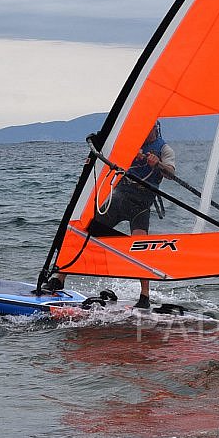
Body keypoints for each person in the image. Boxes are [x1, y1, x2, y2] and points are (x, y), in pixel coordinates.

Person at [45, 122, 176, 309]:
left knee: (140, 247)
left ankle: (144, 296)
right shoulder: (131, 143)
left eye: (148, 129)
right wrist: (110, 144)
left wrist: (158, 164)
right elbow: (110, 150)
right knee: (86, 231)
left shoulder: (165, 149)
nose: (144, 132)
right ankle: (59, 279)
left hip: (141, 204)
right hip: (119, 199)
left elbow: (170, 173)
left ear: (155, 128)